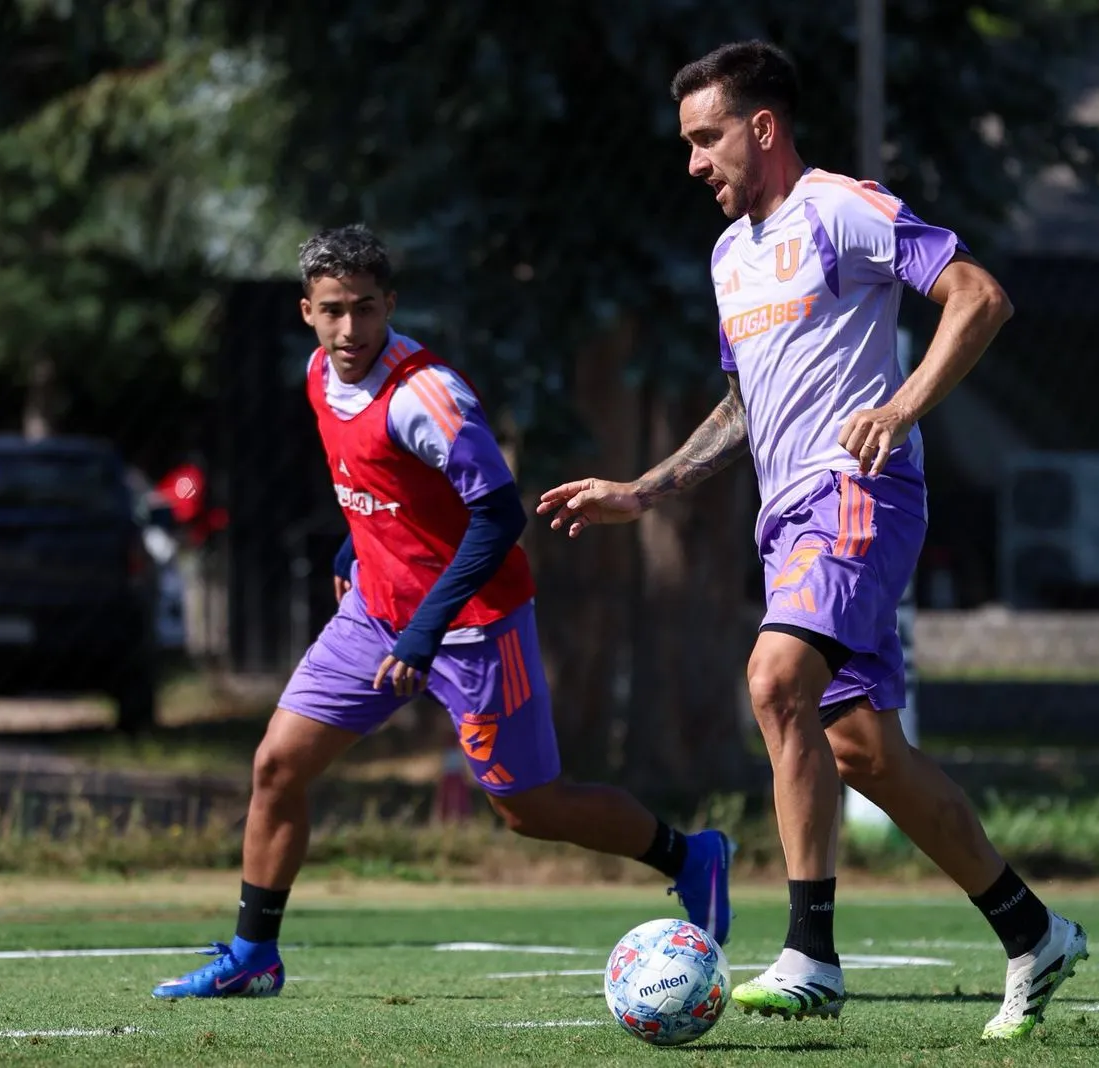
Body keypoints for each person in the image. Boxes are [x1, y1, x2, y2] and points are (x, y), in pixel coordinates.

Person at [537, 42, 1087, 1038]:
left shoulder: (840, 207)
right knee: (863, 750)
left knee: (772, 678)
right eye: (686, 144)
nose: (693, 163)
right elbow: (747, 402)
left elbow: (978, 296)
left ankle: (810, 955)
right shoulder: (729, 257)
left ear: (762, 127)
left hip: (857, 496)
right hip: (786, 516)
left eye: (706, 139)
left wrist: (905, 406)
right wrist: (644, 491)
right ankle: (1031, 931)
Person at [152, 225, 733, 999]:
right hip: (374, 614)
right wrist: (350, 557)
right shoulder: (320, 374)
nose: (350, 328)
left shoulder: (428, 396)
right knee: (277, 765)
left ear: (391, 303)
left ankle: (689, 856)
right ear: (306, 312)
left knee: (528, 808)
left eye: (366, 308)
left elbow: (496, 517)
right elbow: (369, 487)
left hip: (477, 627)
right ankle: (254, 953)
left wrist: (426, 631)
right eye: (333, 310)